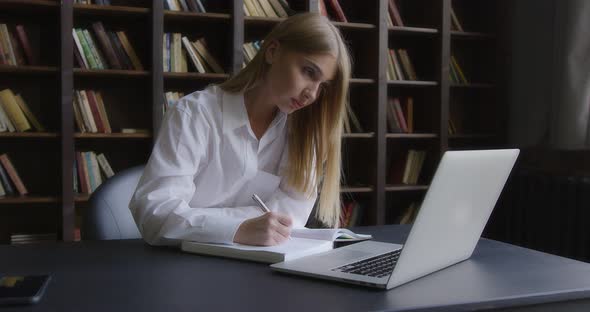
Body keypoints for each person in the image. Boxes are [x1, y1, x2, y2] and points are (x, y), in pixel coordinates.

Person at [129, 12, 351, 247]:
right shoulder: (194, 114)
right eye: (308, 72)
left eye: (322, 86)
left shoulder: (303, 133)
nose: (312, 94)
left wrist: (210, 223)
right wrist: (237, 229)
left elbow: (290, 218)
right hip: (183, 266)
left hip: (261, 265)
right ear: (273, 51)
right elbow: (155, 213)